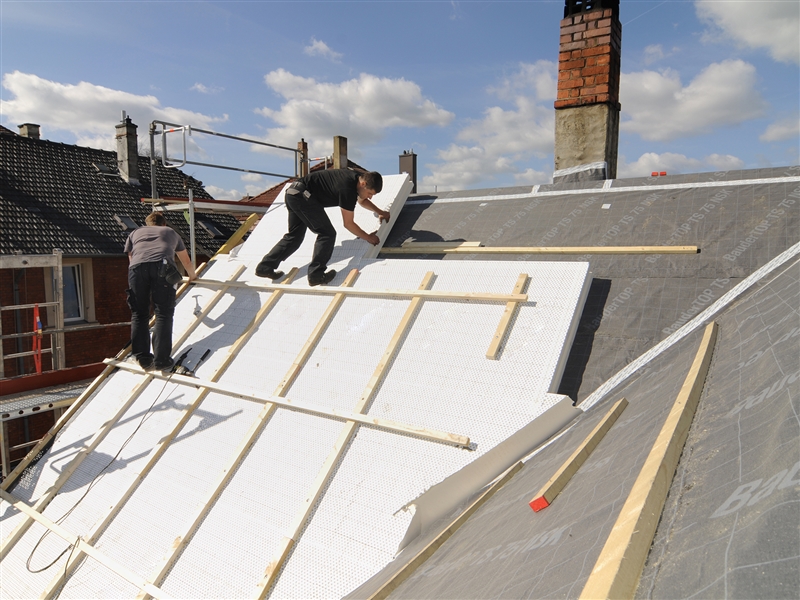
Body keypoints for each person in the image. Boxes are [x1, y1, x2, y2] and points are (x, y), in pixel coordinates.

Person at [255, 169, 389, 286]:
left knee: (294, 236)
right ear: (363, 184)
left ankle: (265, 267)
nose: (370, 197)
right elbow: (348, 224)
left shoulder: (358, 178)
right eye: (370, 193)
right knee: (327, 233)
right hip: (303, 196)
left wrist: (381, 212)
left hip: (293, 193)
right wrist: (368, 237)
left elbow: (362, 200)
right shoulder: (347, 189)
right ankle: (316, 275)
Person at [124, 212, 197, 371]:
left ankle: (142, 357)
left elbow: (132, 258)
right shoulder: (170, 232)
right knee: (163, 313)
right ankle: (161, 360)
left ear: (147, 224)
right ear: (164, 224)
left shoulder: (135, 233)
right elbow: (185, 259)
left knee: (139, 314)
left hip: (137, 270)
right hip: (162, 267)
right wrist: (192, 276)